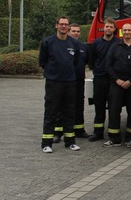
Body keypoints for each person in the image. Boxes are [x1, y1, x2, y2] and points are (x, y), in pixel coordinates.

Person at [39, 16, 81, 153]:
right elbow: (42, 61)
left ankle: (70, 142)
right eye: (61, 24)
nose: (63, 27)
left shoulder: (74, 43)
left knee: (69, 112)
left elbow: (75, 62)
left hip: (69, 82)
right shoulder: (48, 42)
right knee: (51, 112)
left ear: (69, 27)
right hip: (53, 82)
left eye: (66, 25)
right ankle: (46, 143)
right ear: (56, 26)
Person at [103, 23, 131, 148]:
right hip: (116, 84)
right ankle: (114, 139)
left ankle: (130, 138)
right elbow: (108, 65)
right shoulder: (115, 47)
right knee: (113, 110)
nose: (127, 32)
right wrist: (117, 80)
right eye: (125, 30)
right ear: (121, 32)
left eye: (129, 30)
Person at [88, 17, 118, 142]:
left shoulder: (118, 43)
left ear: (114, 29)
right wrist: (97, 71)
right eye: (107, 26)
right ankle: (98, 132)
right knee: (99, 107)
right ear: (103, 28)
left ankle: (112, 133)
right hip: (99, 79)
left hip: (112, 80)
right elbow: (91, 60)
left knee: (113, 108)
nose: (108, 29)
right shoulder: (96, 43)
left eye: (111, 27)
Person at [68, 24, 90, 139]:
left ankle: (79, 130)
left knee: (79, 105)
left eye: (78, 31)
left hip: (79, 80)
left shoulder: (83, 46)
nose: (76, 33)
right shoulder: (64, 45)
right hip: (66, 81)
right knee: (64, 106)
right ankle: (59, 132)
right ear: (68, 32)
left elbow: (86, 61)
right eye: (73, 31)